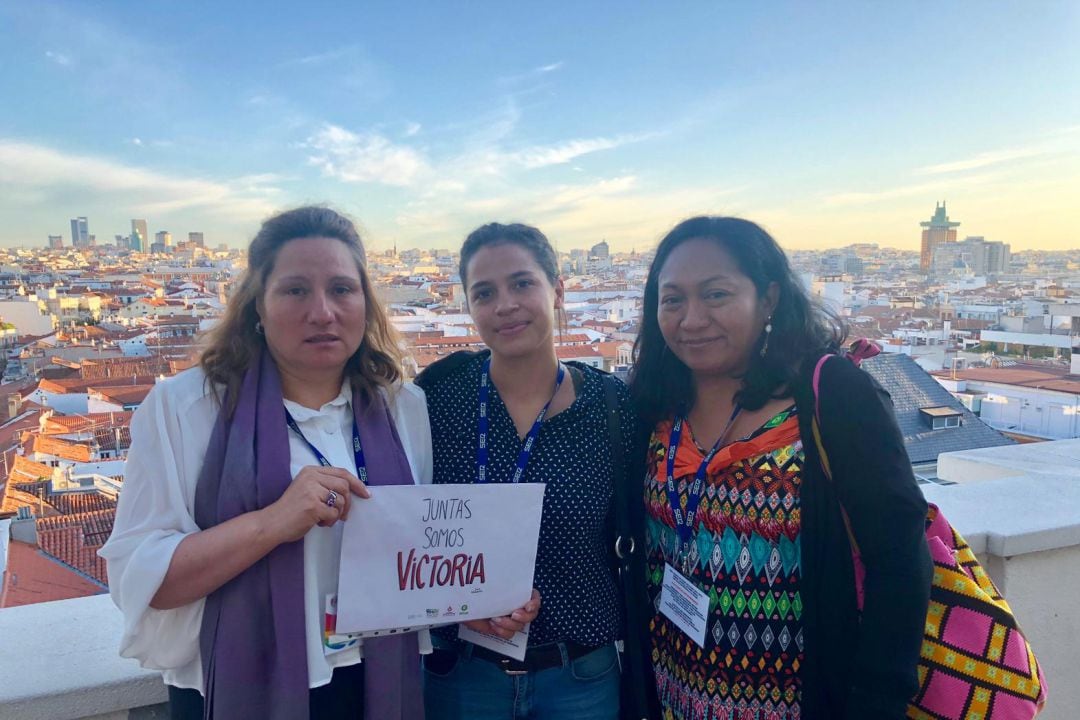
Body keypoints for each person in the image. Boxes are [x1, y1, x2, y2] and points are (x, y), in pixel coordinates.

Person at [100, 206, 437, 720]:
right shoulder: (186, 408)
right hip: (234, 684)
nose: (322, 311)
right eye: (295, 290)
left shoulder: (402, 406)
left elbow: (419, 549)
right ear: (257, 305)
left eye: (342, 289)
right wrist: (271, 523)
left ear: (366, 304)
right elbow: (143, 583)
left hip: (374, 681)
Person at [630, 216, 932, 720]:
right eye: (673, 299)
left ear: (768, 299)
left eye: (716, 295)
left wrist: (877, 701)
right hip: (671, 695)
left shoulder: (831, 397)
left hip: (800, 701)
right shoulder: (653, 406)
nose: (691, 319)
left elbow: (899, 560)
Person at [415, 223, 655, 720]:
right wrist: (461, 602)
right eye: (484, 292)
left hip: (579, 677)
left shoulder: (613, 409)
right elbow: (407, 533)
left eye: (522, 283)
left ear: (557, 290)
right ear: (469, 306)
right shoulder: (438, 398)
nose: (504, 304)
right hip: (461, 674)